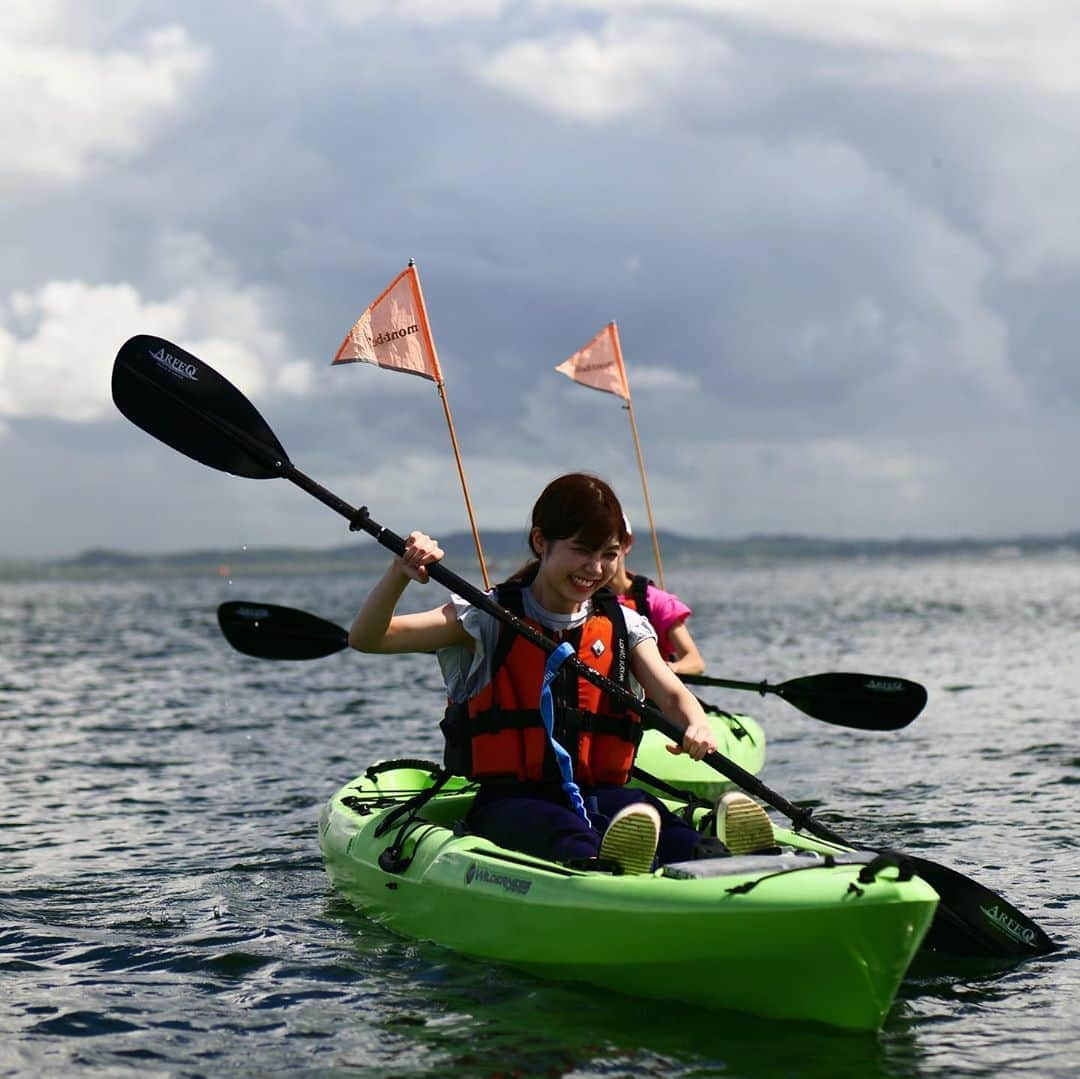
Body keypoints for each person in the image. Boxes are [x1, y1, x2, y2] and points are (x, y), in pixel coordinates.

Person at [348, 472, 774, 873]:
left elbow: (673, 695)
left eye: (608, 555)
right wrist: (400, 573)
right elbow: (370, 638)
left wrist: (698, 724)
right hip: (511, 801)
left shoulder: (623, 624)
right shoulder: (489, 616)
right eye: (582, 551)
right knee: (569, 836)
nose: (595, 568)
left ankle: (720, 853)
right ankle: (607, 871)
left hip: (601, 793)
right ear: (541, 541)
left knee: (666, 828)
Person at [610, 517, 704, 676]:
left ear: (627, 543)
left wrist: (671, 669)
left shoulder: (655, 601)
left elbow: (695, 662)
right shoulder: (581, 602)